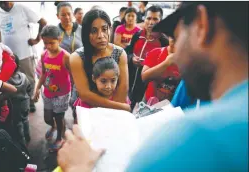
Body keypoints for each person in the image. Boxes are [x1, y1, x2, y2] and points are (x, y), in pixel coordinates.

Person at [57, 2, 248, 171]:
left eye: (176, 35)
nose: (174, 53)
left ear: (201, 26)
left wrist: (79, 167)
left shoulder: (194, 137)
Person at [70, 9, 130, 114]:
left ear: (110, 29)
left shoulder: (120, 53)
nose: (100, 35)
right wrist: (122, 107)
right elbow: (85, 95)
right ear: (86, 33)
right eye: (94, 31)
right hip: (86, 109)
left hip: (115, 108)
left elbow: (122, 88)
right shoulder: (77, 57)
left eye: (104, 29)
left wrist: (112, 114)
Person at [0, 1, 47, 112]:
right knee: (11, 79)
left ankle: (31, 101)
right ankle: (18, 101)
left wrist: (37, 39)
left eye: (5, 2)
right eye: (0, 3)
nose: (3, 5)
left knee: (29, 78)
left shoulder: (21, 8)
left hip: (25, 53)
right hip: (8, 56)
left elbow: (43, 22)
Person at [33, 25, 71, 152]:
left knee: (59, 116)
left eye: (52, 43)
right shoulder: (44, 55)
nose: (48, 46)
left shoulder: (66, 56)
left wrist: (78, 92)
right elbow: (43, 74)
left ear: (59, 40)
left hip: (62, 94)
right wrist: (37, 88)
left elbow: (73, 75)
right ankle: (53, 126)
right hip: (48, 92)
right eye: (45, 43)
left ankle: (60, 137)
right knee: (48, 118)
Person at [125, 5, 168, 110]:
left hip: (149, 86)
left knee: (143, 111)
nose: (151, 22)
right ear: (144, 19)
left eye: (155, 19)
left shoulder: (164, 41)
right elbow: (127, 52)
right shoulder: (137, 35)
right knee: (128, 107)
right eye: (148, 18)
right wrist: (131, 58)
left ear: (161, 21)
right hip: (131, 80)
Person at [141, 37, 180, 103]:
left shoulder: (187, 60)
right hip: (149, 101)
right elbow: (144, 77)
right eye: (173, 37)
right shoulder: (156, 52)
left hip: (171, 104)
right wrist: (166, 63)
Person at [7, 55, 32, 146]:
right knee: (25, 119)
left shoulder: (6, 81)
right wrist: (28, 96)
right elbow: (29, 88)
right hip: (25, 102)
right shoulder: (24, 76)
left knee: (17, 123)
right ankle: (27, 135)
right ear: (19, 66)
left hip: (15, 105)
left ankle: (21, 141)